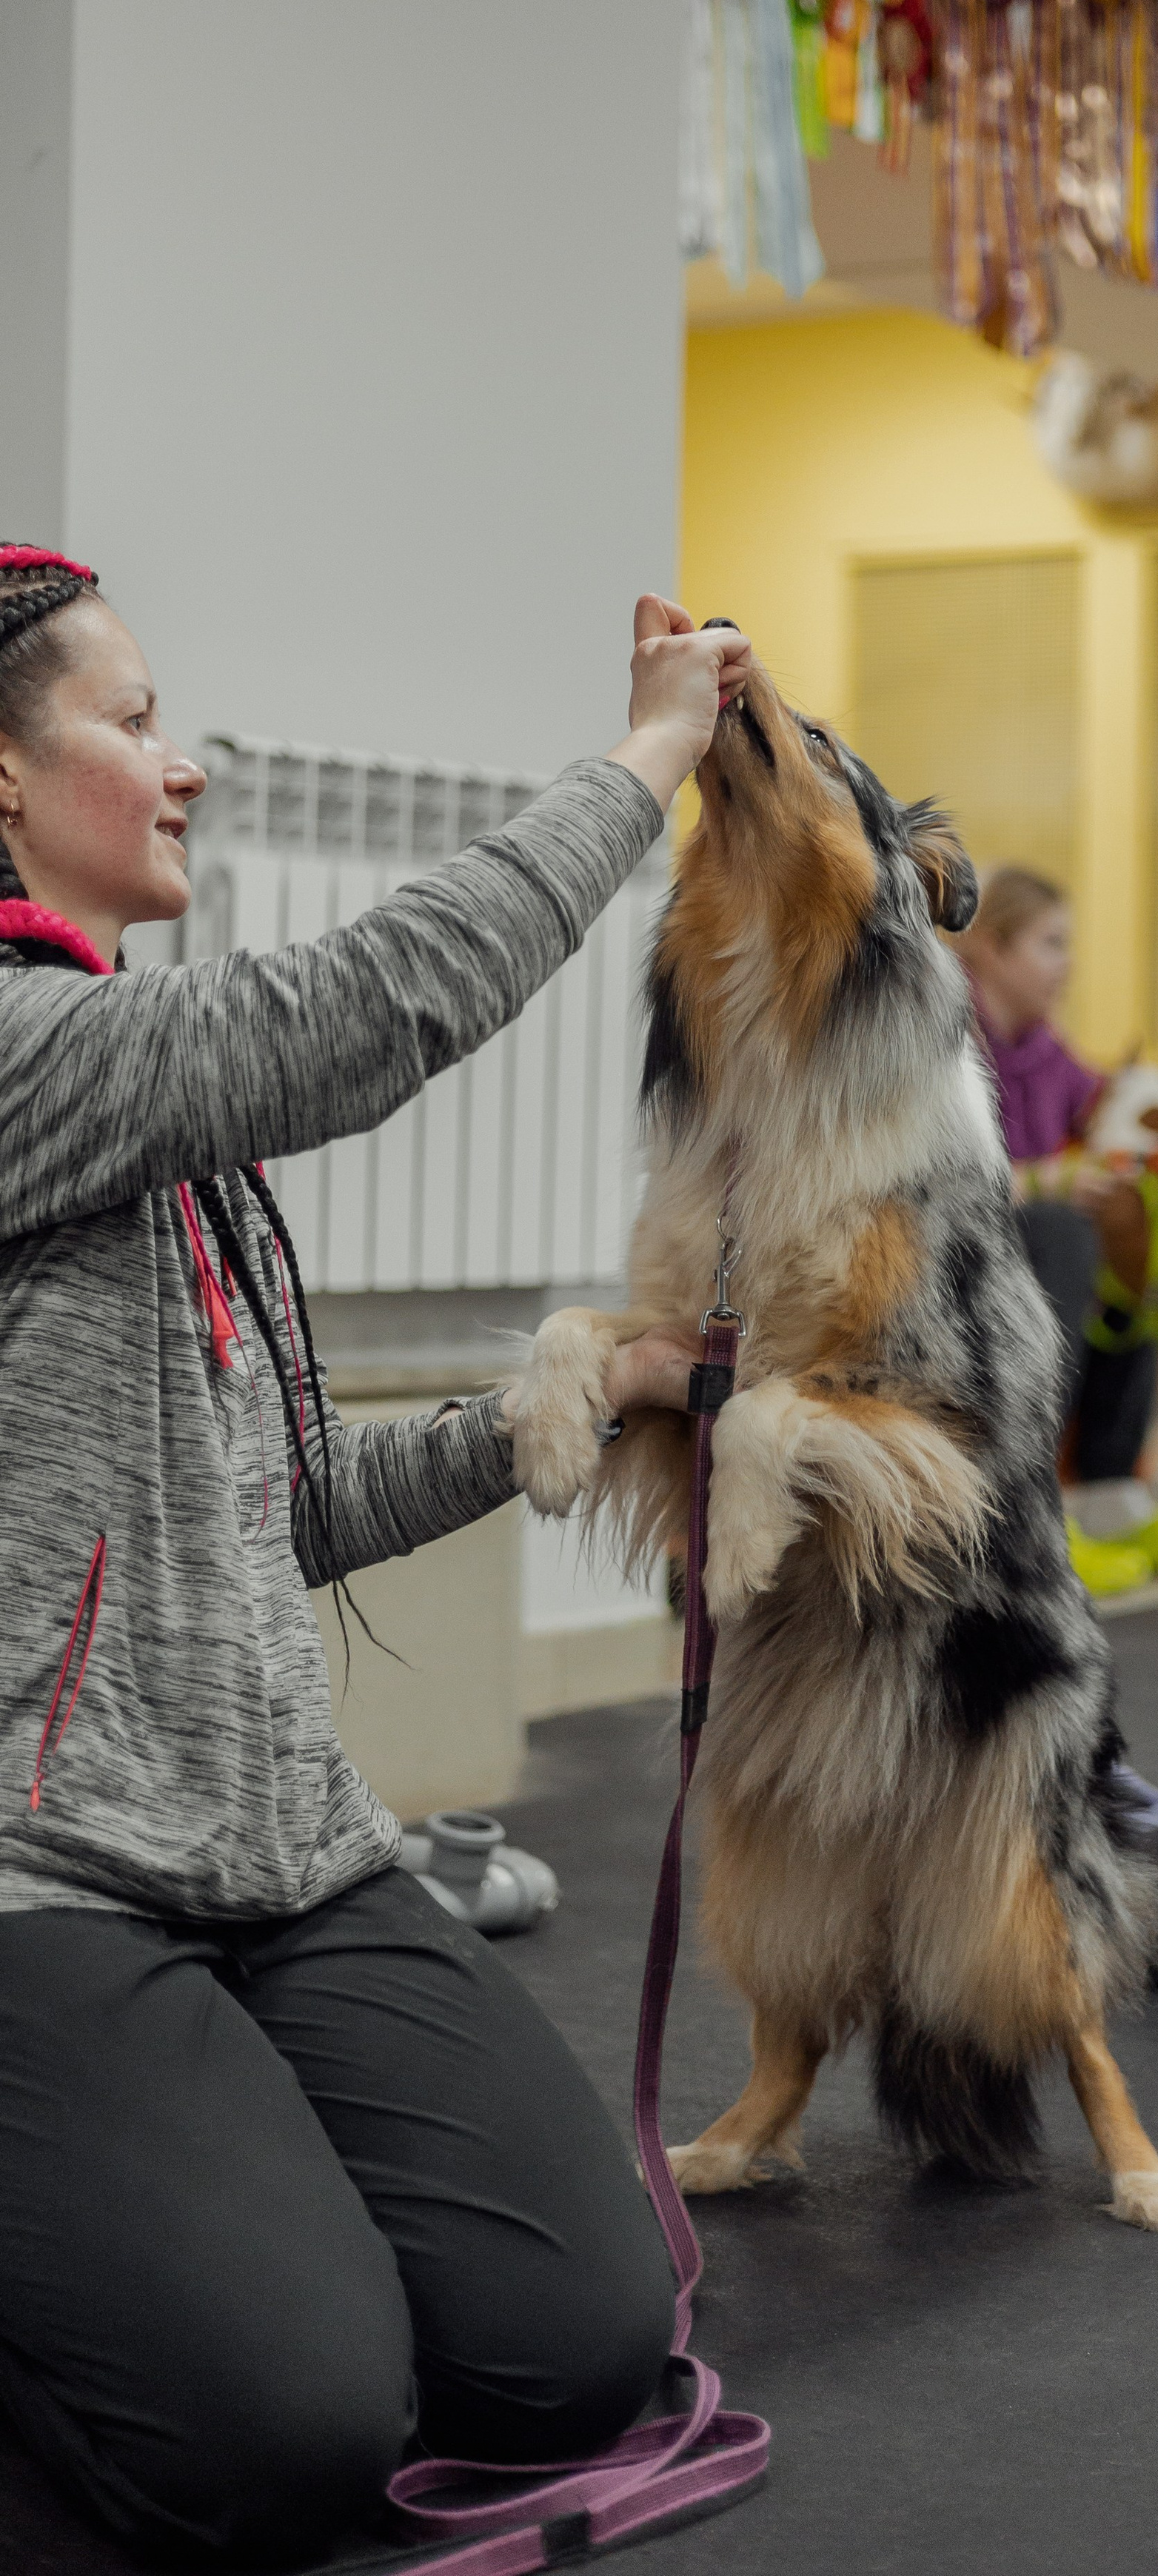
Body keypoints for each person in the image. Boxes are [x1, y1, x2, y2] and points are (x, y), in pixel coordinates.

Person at [0, 545, 749, 2566]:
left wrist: (571, 1406)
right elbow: (370, 1009)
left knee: (577, 2346)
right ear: (3, 777)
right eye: (134, 722)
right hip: (43, 1880)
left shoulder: (141, 1111)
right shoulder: (23, 1058)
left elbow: (286, 1508)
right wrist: (645, 760)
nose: (186, 765)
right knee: (289, 2439)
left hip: (286, 1854)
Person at [957, 865, 1158, 1601]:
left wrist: (1156, 1144)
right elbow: (929, 1178)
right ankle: (1028, 1508)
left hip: (1027, 1251)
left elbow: (1110, 1107)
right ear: (991, 947)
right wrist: (1046, 1180)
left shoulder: (1046, 1051)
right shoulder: (946, 1041)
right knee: (1065, 1230)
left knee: (1132, 1232)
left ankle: (1112, 1497)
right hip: (948, 1254)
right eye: (1050, 944)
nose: (1068, 964)